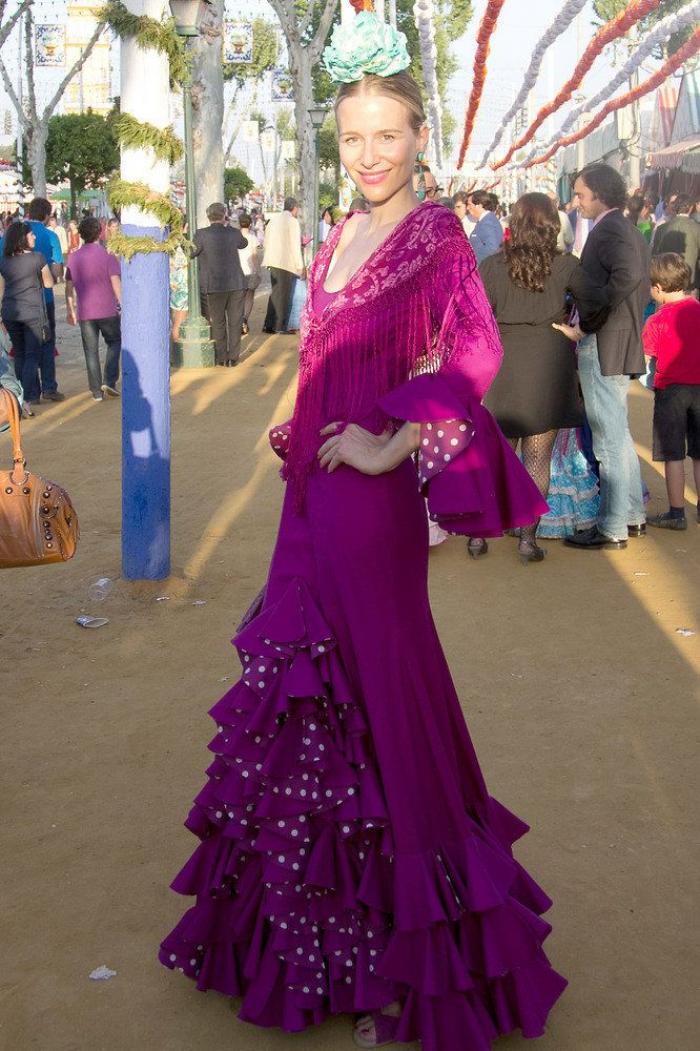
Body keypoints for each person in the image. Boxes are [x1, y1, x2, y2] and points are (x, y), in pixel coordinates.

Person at [159, 15, 566, 1051]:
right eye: (352, 138)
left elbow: (467, 356)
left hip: (372, 509)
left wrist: (392, 445)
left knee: (390, 697)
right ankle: (322, 947)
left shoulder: (435, 235)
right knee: (315, 699)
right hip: (311, 498)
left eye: (387, 134)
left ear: (419, 137)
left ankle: (420, 962)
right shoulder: (339, 236)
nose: (370, 154)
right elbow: (329, 356)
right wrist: (303, 413)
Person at [469, 193, 608, 563]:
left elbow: (475, 315)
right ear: (550, 226)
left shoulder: (492, 266)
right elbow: (599, 302)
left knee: (495, 456)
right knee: (537, 457)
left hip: (503, 366)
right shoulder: (566, 265)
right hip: (548, 365)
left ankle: (479, 535)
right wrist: (579, 328)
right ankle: (527, 539)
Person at [560, 163, 648, 550]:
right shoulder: (620, 227)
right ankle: (629, 515)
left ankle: (613, 525)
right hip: (615, 338)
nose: (576, 202)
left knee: (608, 439)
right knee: (618, 434)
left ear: (598, 192)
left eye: (580, 194)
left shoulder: (611, 229)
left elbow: (624, 277)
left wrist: (589, 322)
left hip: (605, 340)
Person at [641, 253, 700, 529]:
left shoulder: (657, 319)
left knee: (672, 453)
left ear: (658, 288)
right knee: (699, 452)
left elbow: (647, 355)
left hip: (670, 389)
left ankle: (677, 513)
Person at [64, 216, 121, 401]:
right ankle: (109, 380)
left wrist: (70, 309)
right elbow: (116, 284)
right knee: (114, 342)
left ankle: (96, 391)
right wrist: (123, 304)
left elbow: (69, 287)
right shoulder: (108, 256)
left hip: (85, 311)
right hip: (107, 309)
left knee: (91, 350)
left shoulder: (74, 258)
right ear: (100, 232)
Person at [0, 221, 54, 409]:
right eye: (31, 234)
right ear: (23, 238)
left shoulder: (4, 261)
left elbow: (1, 289)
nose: (35, 237)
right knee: (32, 355)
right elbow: (48, 283)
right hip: (32, 313)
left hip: (10, 312)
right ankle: (27, 398)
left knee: (20, 353)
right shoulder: (37, 258)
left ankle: (23, 395)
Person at [193, 201, 248, 366]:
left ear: (208, 216)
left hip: (214, 285)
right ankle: (233, 358)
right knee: (235, 321)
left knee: (218, 322)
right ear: (224, 215)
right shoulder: (233, 233)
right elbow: (243, 243)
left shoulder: (201, 234)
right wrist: (229, 224)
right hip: (236, 283)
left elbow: (191, 252)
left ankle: (222, 357)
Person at [261, 197, 304, 334]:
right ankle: (280, 326)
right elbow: (295, 245)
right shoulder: (292, 222)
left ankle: (268, 324)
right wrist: (300, 266)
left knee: (275, 293)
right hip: (286, 262)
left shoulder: (273, 220)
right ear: (294, 208)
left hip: (272, 260)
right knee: (283, 296)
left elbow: (266, 241)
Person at [650, 194, 699, 292]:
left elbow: (655, 255)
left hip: (666, 281)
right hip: (688, 282)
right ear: (690, 208)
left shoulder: (661, 228)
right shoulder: (697, 228)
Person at [238, 212, 261, 337]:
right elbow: (254, 256)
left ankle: (239, 320)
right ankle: (244, 319)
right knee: (249, 296)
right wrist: (257, 269)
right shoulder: (252, 238)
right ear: (250, 224)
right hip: (249, 271)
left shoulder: (235, 236)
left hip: (237, 271)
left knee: (239, 297)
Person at [467, 189, 503, 264]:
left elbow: (492, 249)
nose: (467, 208)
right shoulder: (485, 220)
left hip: (484, 270)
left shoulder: (488, 222)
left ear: (479, 205)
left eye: (470, 205)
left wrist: (471, 258)